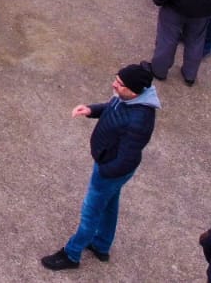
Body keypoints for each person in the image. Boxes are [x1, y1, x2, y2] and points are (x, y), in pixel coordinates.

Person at [40, 64, 160, 271]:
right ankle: (101, 244)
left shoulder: (139, 120)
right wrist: (91, 110)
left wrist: (104, 173)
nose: (114, 84)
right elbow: (111, 108)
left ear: (133, 90)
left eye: (119, 84)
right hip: (108, 166)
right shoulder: (127, 98)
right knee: (110, 204)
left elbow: (127, 159)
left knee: (91, 212)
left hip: (109, 171)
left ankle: (71, 254)